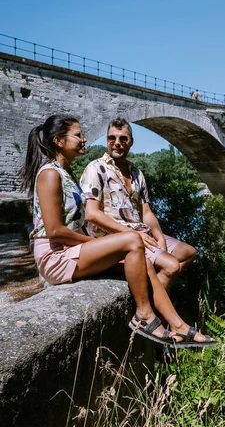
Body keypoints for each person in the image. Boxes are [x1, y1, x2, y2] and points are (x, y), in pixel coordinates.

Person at [20, 114, 215, 348]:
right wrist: (91, 243)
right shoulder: (50, 174)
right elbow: (54, 232)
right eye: (78, 135)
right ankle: (144, 315)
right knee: (133, 241)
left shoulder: (66, 174)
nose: (85, 139)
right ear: (58, 141)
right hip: (56, 257)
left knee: (142, 261)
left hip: (71, 251)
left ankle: (179, 326)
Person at [80, 117, 195, 292]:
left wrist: (160, 236)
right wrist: (133, 234)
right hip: (114, 239)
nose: (117, 143)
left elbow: (146, 212)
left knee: (188, 253)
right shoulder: (95, 168)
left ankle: (150, 291)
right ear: (107, 141)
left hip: (139, 233)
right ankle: (147, 312)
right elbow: (92, 214)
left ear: (131, 142)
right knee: (171, 266)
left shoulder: (136, 173)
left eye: (123, 139)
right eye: (112, 138)